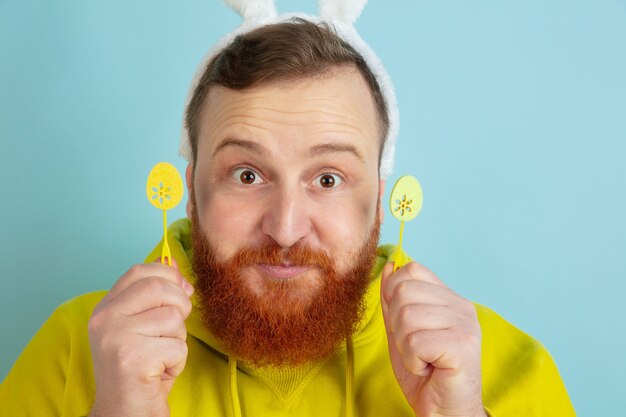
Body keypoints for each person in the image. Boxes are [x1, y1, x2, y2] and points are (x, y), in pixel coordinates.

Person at [0, 3, 575, 417]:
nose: (285, 227)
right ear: (191, 192)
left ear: (378, 200)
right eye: (247, 175)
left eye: (328, 178)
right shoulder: (79, 348)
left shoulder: (500, 367)